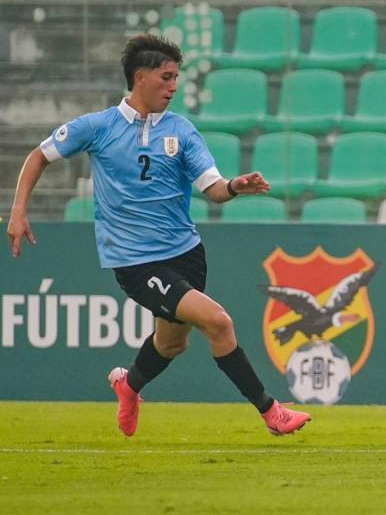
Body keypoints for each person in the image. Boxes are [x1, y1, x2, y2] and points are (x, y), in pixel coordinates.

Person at [6, 34, 310, 438]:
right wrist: (18, 209)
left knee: (171, 345)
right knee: (218, 323)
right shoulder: (98, 127)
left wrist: (235, 185)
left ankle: (128, 385)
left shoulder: (181, 131)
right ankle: (271, 411)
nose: (174, 86)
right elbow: (38, 156)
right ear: (140, 77)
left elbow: (213, 189)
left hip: (186, 252)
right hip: (135, 260)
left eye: (177, 78)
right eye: (166, 77)